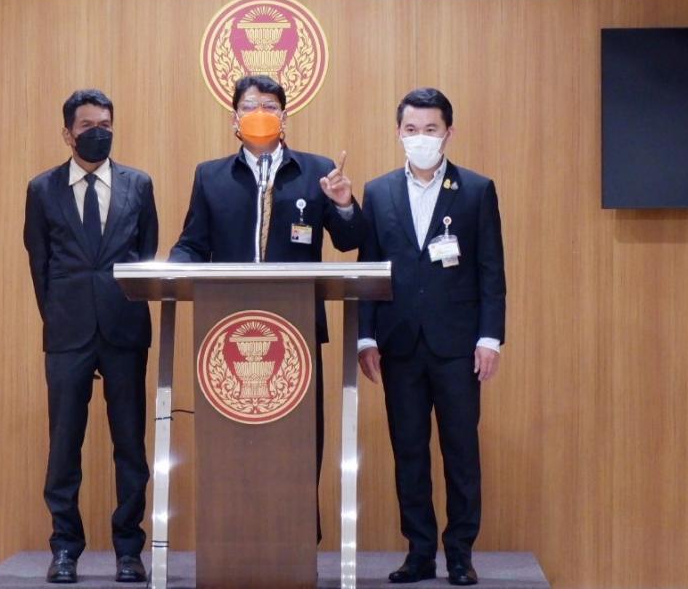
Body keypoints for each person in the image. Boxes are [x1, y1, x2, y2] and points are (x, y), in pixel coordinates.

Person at [169, 74, 366, 539]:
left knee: (298, 439)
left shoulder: (316, 172)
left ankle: (296, 538)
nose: (261, 113)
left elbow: (351, 240)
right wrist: (173, 269)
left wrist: (343, 204)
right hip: (228, 331)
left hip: (296, 330)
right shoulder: (211, 176)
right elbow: (193, 244)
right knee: (233, 441)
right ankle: (231, 536)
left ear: (285, 115)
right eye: (250, 105)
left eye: (270, 106)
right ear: (234, 117)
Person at [357, 88, 506, 586]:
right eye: (411, 129)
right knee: (409, 451)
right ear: (399, 133)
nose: (420, 137)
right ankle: (419, 552)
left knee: (461, 452)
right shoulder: (379, 192)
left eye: (430, 129)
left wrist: (490, 338)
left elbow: (491, 270)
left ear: (448, 133)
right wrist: (364, 337)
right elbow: (369, 270)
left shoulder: (476, 190)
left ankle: (460, 553)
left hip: (458, 346)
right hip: (399, 344)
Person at [23, 89, 157, 584]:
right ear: (68, 133)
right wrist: (59, 318)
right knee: (64, 446)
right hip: (67, 332)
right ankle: (65, 548)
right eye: (87, 125)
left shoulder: (138, 185)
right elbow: (39, 264)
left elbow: (146, 257)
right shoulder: (42, 189)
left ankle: (129, 550)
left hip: (125, 329)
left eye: (105, 124)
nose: (98, 132)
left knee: (130, 445)